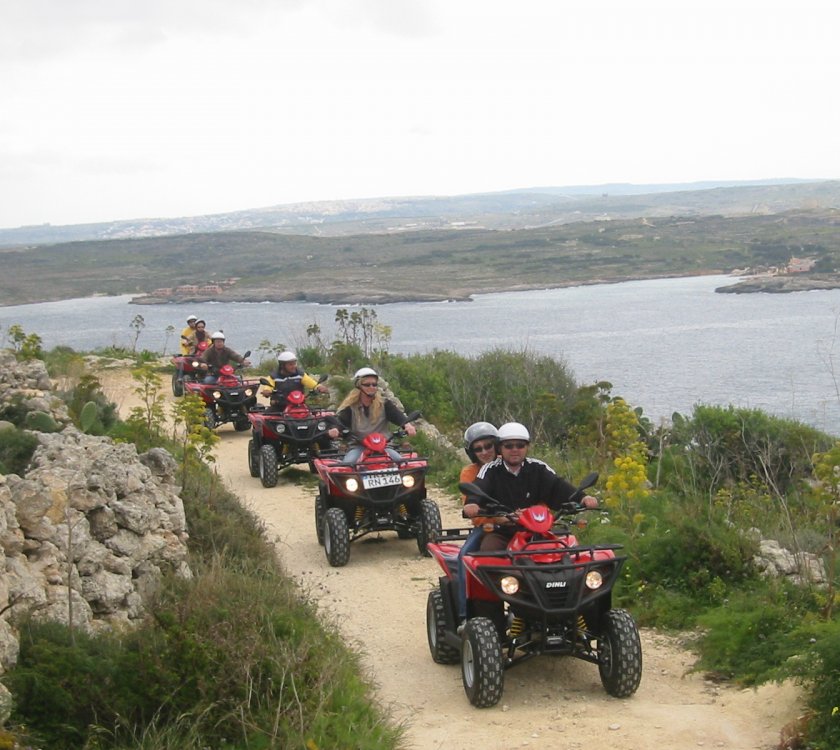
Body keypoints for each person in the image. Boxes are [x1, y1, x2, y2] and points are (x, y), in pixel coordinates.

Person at [465, 421, 598, 553]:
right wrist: (472, 503)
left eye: (520, 445)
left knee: (565, 551)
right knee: (489, 550)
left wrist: (583, 498)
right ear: (500, 448)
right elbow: (479, 486)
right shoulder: (490, 469)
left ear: (527, 447)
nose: (515, 450)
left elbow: (558, 486)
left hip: (537, 530)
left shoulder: (538, 467)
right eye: (509, 446)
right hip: (502, 531)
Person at [456, 422, 500, 621]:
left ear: (496, 445)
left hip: (520, 525)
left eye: (488, 446)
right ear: (472, 452)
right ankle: (465, 615)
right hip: (487, 527)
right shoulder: (469, 473)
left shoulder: (509, 464)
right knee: (464, 558)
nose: (484, 452)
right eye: (478, 449)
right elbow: (471, 504)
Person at [330, 367, 416, 463]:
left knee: (400, 462)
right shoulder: (350, 408)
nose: (372, 387)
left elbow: (398, 416)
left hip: (384, 447)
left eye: (374, 384)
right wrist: (335, 429)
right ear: (358, 386)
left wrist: (407, 425)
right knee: (348, 464)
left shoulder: (384, 404)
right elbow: (340, 422)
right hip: (359, 447)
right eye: (367, 385)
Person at [262, 350, 329, 410]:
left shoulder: (300, 375)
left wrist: (319, 387)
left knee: (321, 417)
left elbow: (312, 383)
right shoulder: (274, 376)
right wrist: (267, 391)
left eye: (294, 363)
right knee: (264, 420)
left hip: (299, 406)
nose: (294, 366)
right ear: (282, 365)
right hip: (280, 407)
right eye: (290, 364)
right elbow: (268, 386)